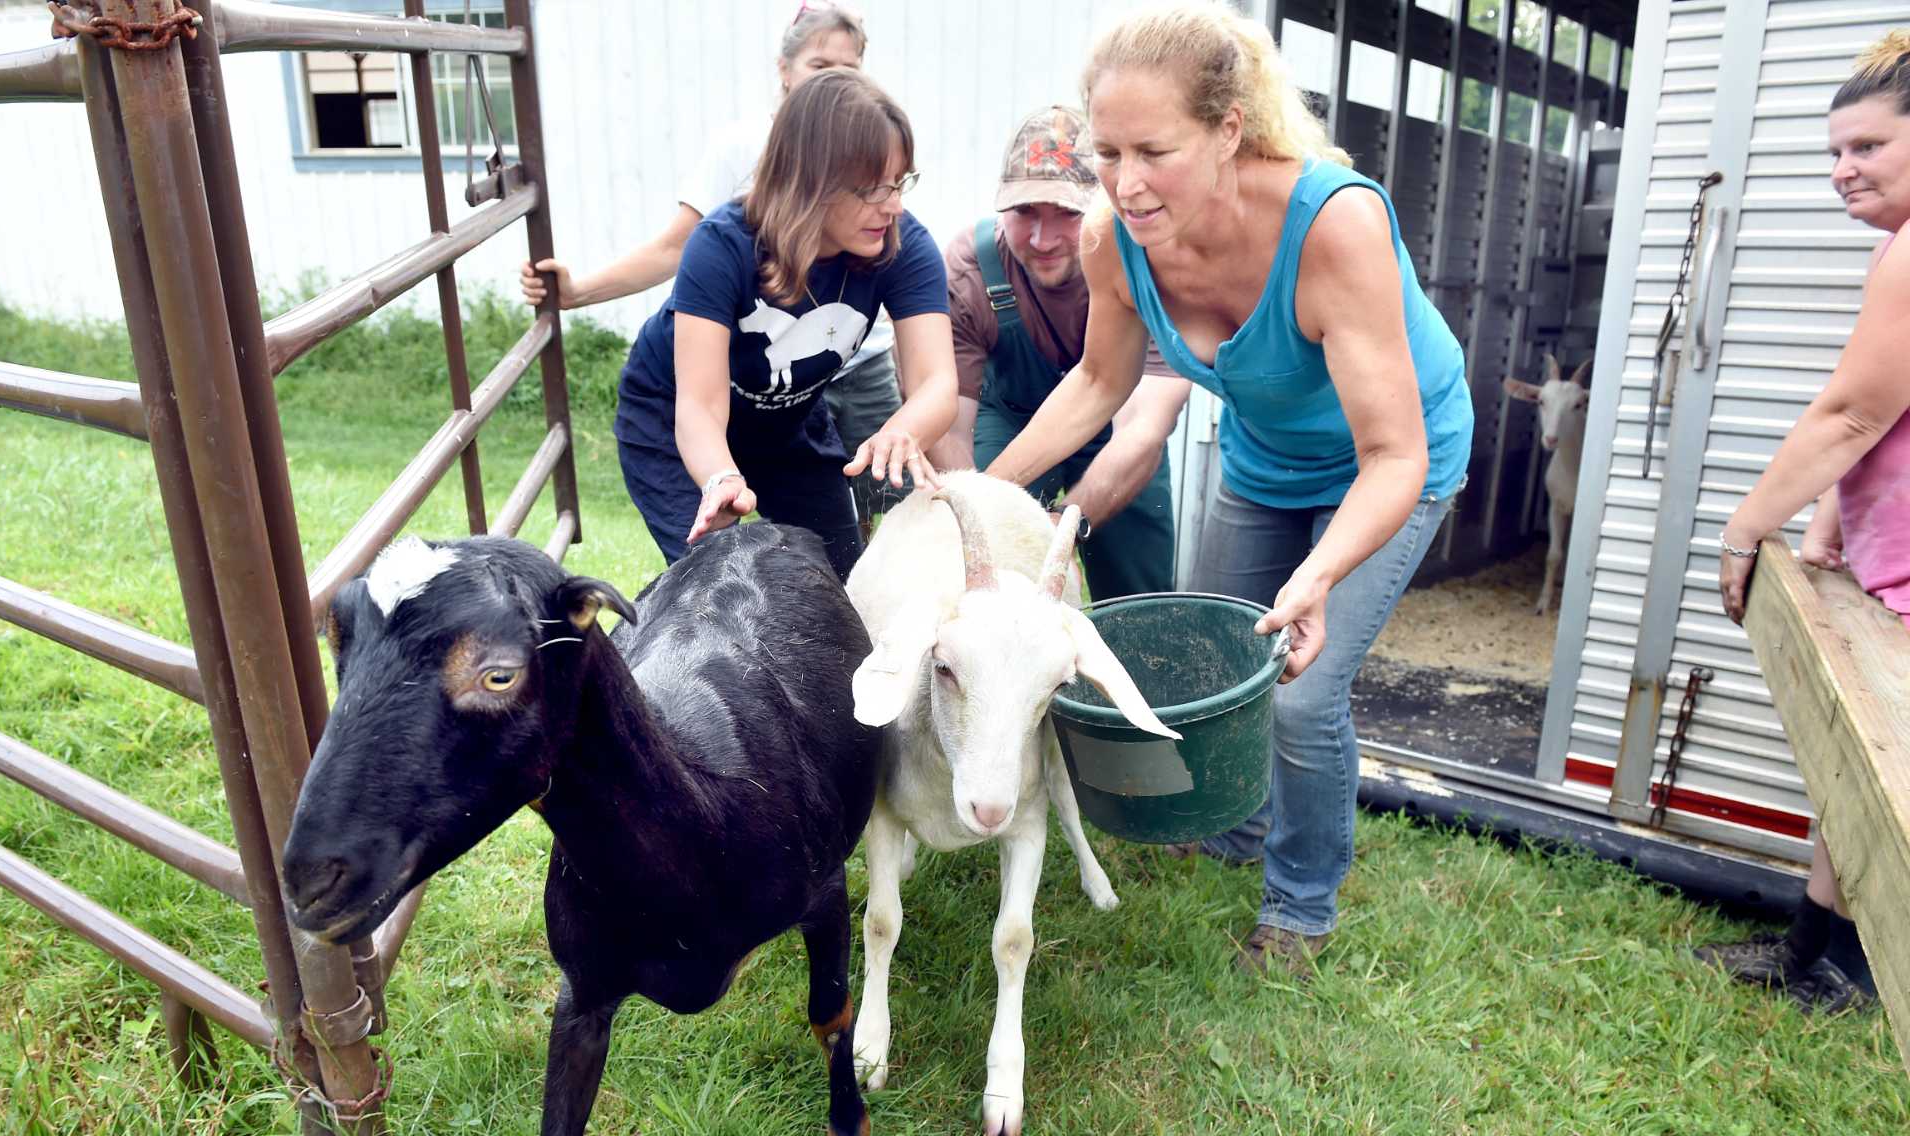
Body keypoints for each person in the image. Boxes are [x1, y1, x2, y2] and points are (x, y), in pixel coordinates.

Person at [983, 4, 1473, 973]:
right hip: (1264, 461)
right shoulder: (1112, 238)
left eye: (1153, 151)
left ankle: (1299, 902)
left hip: (1391, 465)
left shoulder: (1334, 222)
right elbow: (1096, 385)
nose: (1124, 182)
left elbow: (1392, 455)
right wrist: (975, 491)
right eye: (1107, 151)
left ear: (1227, 131)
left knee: (1298, 691)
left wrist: (1318, 575)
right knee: (1219, 665)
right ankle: (1237, 828)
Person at [1700, 29, 1910, 1015]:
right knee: (1851, 757)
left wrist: (1746, 528)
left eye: (1864, 147)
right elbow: (1882, 407)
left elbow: (1849, 413)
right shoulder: (1894, 249)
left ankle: (1859, 975)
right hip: (1887, 559)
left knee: (1891, 785)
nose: (1839, 170)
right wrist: (1828, 512)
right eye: (1832, 151)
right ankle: (1811, 952)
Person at [518, 4, 907, 510]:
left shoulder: (875, 150)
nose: (832, 79)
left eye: (848, 69)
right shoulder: (742, 150)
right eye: (818, 65)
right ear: (785, 69)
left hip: (852, 355)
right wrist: (580, 292)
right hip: (754, 366)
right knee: (720, 529)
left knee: (882, 502)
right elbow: (679, 246)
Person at [608, 69, 954, 579]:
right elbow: (699, 405)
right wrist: (720, 476)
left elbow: (937, 383)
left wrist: (905, 428)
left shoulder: (903, 245)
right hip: (672, 417)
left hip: (787, 419)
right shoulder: (721, 244)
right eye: (872, 189)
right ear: (807, 178)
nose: (894, 205)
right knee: (716, 583)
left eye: (900, 183)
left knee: (840, 580)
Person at [935, 105, 1191, 601]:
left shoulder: (1153, 264)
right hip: (1011, 418)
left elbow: (1143, 431)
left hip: (1120, 430)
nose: (1042, 239)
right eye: (1025, 212)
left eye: (1067, 215)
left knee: (1141, 593)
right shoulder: (969, 269)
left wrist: (1067, 525)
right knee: (989, 561)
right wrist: (978, 515)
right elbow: (951, 426)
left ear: (1101, 204)